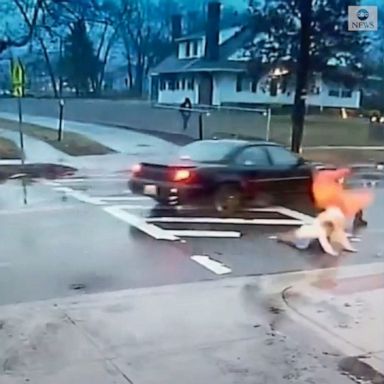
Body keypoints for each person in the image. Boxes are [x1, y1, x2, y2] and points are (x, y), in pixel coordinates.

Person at [277, 206, 356, 256]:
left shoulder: (323, 227)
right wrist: (332, 252)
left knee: (291, 235)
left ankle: (282, 236)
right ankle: (280, 237)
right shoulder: (321, 231)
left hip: (304, 231)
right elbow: (325, 244)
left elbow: (340, 236)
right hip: (301, 237)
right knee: (296, 243)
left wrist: (349, 248)